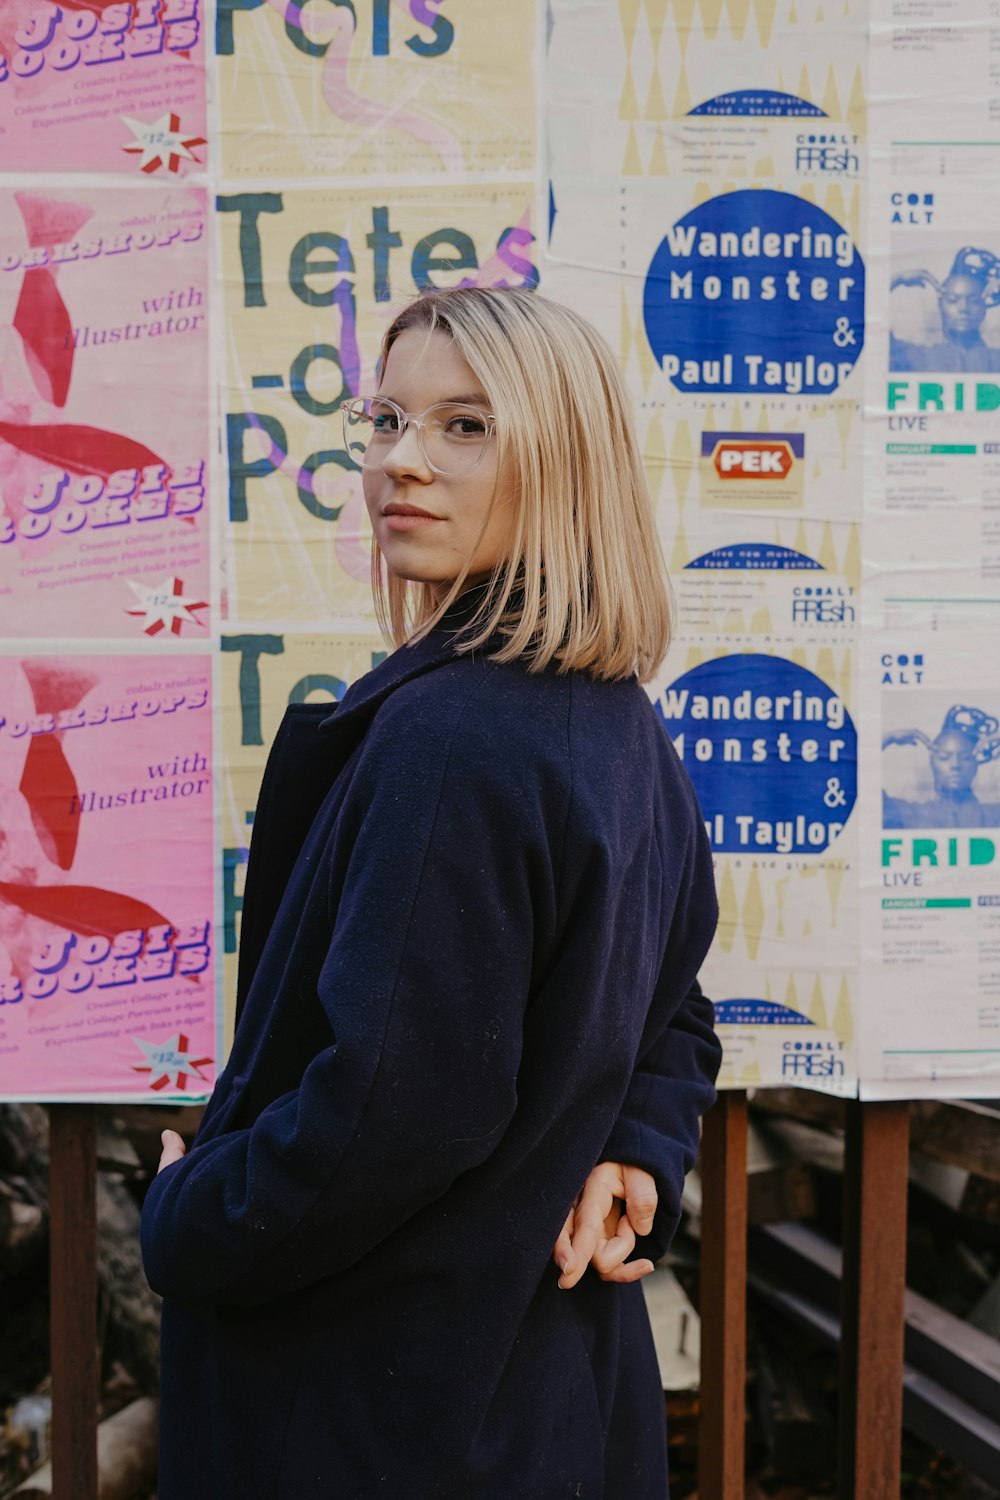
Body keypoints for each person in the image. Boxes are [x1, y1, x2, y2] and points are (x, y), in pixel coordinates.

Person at [140, 286, 721, 1499]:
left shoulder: (458, 737)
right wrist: (638, 1146)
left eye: (466, 426)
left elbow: (397, 1105)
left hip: (376, 1405)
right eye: (387, 418)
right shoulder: (613, 722)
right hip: (534, 1396)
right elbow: (671, 1006)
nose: (402, 461)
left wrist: (193, 1219)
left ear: (562, 462)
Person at [883, 704, 1000, 828]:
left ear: (975, 765)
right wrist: (888, 738)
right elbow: (868, 802)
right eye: (944, 757)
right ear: (932, 764)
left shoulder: (994, 815)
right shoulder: (911, 815)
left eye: (966, 758)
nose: (955, 765)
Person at [889, 246, 1000, 372]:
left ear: (984, 308)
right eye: (953, 300)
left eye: (974, 301)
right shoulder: (918, 357)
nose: (963, 308)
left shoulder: (996, 360)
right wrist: (897, 279)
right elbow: (875, 336)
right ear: (940, 305)